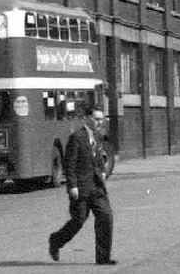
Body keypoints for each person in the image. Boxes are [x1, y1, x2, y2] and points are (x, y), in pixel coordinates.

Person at [48, 106, 116, 266]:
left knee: (106, 217)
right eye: (97, 119)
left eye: (102, 119)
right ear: (87, 118)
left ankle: (103, 258)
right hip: (82, 187)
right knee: (78, 220)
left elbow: (98, 158)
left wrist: (103, 171)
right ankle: (56, 241)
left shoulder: (98, 137)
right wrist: (72, 186)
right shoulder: (76, 138)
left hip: (97, 186)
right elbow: (70, 165)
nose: (100, 122)